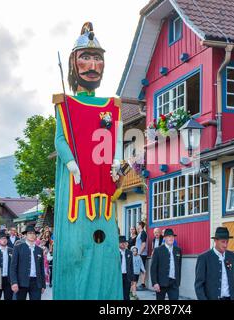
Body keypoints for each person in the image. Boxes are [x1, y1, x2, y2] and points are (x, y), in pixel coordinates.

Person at [52, 22, 124, 300]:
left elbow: (115, 137)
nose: (93, 64)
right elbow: (61, 139)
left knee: (104, 247)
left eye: (98, 58)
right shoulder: (65, 104)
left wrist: (116, 160)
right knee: (77, 248)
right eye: (86, 57)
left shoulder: (111, 106)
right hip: (78, 187)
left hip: (104, 187)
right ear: (74, 63)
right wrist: (71, 163)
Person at [195, 226, 234, 300]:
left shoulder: (232, 256)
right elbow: (198, 285)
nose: (225, 245)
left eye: (227, 242)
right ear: (215, 241)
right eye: (223, 242)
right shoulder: (204, 257)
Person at [10, 225, 46, 300]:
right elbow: (13, 267)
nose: (32, 235)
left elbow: (41, 268)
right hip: (21, 282)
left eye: (34, 233)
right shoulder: (18, 248)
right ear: (25, 235)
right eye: (30, 233)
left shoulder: (39, 250)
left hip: (36, 282)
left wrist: (43, 284)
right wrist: (14, 282)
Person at [150, 228, 182, 300]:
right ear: (164, 238)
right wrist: (155, 282)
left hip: (174, 283)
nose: (171, 238)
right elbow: (153, 268)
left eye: (172, 236)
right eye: (169, 236)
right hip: (161, 283)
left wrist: (178, 282)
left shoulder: (178, 250)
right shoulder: (158, 250)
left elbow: (179, 266)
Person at [119, 236, 134, 301]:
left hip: (127, 276)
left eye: (124, 242)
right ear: (118, 243)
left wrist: (132, 278)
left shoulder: (129, 252)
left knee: (127, 293)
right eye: (121, 243)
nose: (123, 244)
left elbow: (131, 266)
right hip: (119, 276)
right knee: (119, 292)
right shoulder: (116, 253)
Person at [135, 221, 148, 289]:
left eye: (138, 225)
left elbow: (143, 245)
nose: (137, 226)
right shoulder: (140, 233)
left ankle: (143, 285)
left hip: (142, 254)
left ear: (140, 225)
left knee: (142, 269)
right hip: (139, 254)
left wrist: (139, 253)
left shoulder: (143, 233)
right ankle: (140, 284)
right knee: (139, 269)